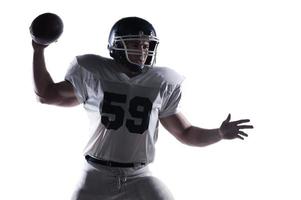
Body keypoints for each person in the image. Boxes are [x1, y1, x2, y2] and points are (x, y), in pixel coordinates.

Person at [32, 16, 253, 200]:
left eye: (146, 45)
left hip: (139, 175)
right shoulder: (94, 72)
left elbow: (185, 132)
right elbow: (47, 95)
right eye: (135, 44)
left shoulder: (161, 82)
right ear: (117, 45)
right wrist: (39, 49)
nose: (143, 50)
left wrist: (219, 134)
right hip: (95, 175)